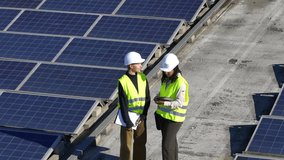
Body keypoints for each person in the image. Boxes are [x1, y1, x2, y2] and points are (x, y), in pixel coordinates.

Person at [154, 53, 190, 160]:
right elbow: (164, 93)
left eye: (168, 70)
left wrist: (164, 103)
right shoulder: (166, 79)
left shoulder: (181, 83)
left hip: (175, 119)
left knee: (166, 146)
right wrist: (157, 97)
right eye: (164, 70)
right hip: (164, 117)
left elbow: (179, 102)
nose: (166, 72)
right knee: (171, 144)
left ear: (175, 68)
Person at [117, 51, 150, 160]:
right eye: (138, 63)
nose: (141, 65)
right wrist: (127, 121)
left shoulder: (143, 77)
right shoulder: (123, 81)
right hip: (128, 119)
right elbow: (123, 103)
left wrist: (144, 115)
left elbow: (147, 98)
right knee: (127, 147)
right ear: (131, 66)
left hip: (141, 118)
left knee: (141, 144)